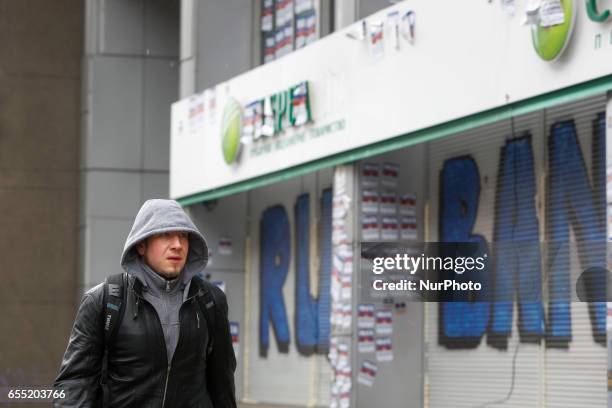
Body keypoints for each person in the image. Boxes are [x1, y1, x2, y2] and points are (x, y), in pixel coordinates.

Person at [53, 199, 236, 407]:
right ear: (141, 244)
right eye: (166, 234)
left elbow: (223, 385)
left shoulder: (210, 301)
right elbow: (75, 383)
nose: (177, 245)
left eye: (183, 235)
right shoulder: (104, 301)